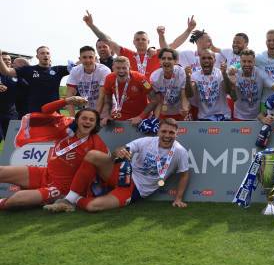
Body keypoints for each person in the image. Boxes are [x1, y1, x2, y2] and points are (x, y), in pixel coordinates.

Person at [45, 118, 190, 212]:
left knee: (93, 207)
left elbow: (184, 174)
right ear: (158, 131)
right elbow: (123, 150)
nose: (167, 135)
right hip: (125, 173)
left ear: (177, 134)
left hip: (136, 190)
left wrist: (178, 198)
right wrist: (117, 153)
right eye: (164, 131)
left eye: (171, 132)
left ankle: (74, 200)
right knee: (93, 155)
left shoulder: (179, 151)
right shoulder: (146, 141)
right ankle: (69, 198)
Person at [0, 97, 107, 210]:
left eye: (91, 120)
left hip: (61, 188)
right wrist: (67, 101)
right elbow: (45, 110)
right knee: (2, 171)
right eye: (84, 118)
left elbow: (104, 169)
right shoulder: (65, 128)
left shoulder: (96, 142)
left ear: (95, 124)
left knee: (18, 199)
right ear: (76, 120)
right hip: (45, 174)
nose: (87, 122)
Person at [83, 10, 174, 80]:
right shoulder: (128, 54)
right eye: (137, 39)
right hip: (134, 94)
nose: (140, 41)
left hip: (154, 95)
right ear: (133, 42)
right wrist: (91, 25)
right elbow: (107, 40)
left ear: (148, 42)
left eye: (143, 39)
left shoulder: (155, 53)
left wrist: (161, 35)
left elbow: (167, 50)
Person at [0, 47, 68, 113]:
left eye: (47, 53)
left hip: (54, 113)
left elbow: (77, 68)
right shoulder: (29, 70)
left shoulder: (58, 70)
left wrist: (79, 59)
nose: (45, 55)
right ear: (37, 56)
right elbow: (6, 71)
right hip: (35, 113)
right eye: (42, 53)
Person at [225, 49, 274, 121]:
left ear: (254, 62)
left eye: (249, 62)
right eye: (244, 61)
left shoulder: (260, 73)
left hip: (256, 117)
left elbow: (273, 86)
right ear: (240, 62)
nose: (247, 64)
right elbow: (233, 98)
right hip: (238, 116)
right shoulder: (235, 74)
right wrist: (233, 86)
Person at [100, 56, 152, 126]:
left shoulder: (141, 79)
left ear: (129, 68)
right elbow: (108, 100)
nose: (121, 71)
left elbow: (154, 100)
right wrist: (107, 115)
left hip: (140, 116)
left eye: (124, 68)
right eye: (118, 68)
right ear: (113, 68)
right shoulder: (109, 78)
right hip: (120, 116)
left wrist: (141, 117)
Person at [186, 49, 231, 121]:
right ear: (199, 60)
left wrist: (225, 74)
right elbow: (189, 95)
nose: (206, 61)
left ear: (214, 60)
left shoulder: (221, 73)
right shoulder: (194, 76)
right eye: (203, 58)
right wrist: (188, 78)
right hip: (204, 118)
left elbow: (229, 91)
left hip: (223, 116)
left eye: (210, 58)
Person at [65, 46, 111, 116]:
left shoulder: (104, 70)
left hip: (105, 109)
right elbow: (69, 96)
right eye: (84, 57)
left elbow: (102, 97)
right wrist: (72, 117)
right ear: (80, 59)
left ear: (95, 58)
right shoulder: (75, 71)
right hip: (88, 109)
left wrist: (96, 117)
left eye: (90, 57)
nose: (88, 60)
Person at [149, 48, 189, 120]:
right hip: (163, 113)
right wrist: (155, 120)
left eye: (169, 59)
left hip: (179, 113)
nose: (166, 61)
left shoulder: (181, 73)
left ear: (175, 61)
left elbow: (184, 95)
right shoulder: (155, 77)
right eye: (163, 58)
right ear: (160, 61)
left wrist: (185, 109)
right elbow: (159, 100)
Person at [0, 53, 20, 141]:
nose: (7, 61)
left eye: (8, 59)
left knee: (11, 140)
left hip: (11, 113)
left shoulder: (16, 75)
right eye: (4, 59)